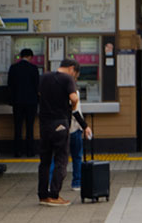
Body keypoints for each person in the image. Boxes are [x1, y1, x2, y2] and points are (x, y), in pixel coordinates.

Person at [37, 58, 82, 207]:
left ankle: (43, 195)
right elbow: (74, 97)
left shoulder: (43, 77)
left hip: (44, 124)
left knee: (45, 161)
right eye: (75, 73)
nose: (74, 76)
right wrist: (73, 106)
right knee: (61, 160)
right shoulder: (67, 79)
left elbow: (38, 94)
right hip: (60, 123)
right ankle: (54, 195)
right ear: (71, 68)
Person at [49, 62, 92, 191]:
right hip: (73, 128)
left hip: (57, 127)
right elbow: (75, 111)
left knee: (56, 158)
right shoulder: (72, 90)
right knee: (76, 157)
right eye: (75, 76)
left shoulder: (52, 86)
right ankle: (77, 182)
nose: (75, 79)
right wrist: (85, 126)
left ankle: (51, 183)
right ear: (72, 70)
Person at [7, 48, 39, 158]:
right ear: (30, 57)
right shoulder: (34, 68)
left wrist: (12, 101)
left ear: (21, 56)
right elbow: (37, 86)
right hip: (31, 102)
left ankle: (17, 152)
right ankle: (30, 152)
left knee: (18, 127)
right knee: (30, 127)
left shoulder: (14, 68)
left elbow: (10, 85)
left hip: (17, 102)